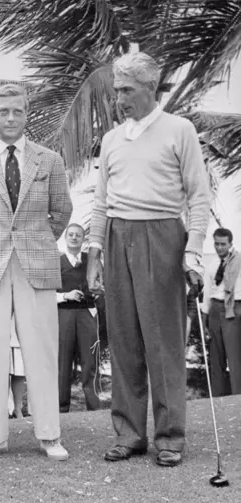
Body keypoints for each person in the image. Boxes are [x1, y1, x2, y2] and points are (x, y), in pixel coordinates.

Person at [87, 52, 210, 467]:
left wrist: (193, 250)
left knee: (163, 341)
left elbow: (199, 195)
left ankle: (170, 436)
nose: (119, 98)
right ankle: (129, 433)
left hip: (163, 235)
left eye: (127, 90)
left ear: (150, 88)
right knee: (123, 339)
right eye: (116, 90)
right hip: (117, 235)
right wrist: (94, 252)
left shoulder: (180, 129)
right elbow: (100, 201)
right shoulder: (111, 139)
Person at [0, 83, 72, 461]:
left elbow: (62, 211)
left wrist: (37, 241)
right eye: (3, 111)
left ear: (27, 115)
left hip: (36, 265)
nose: (10, 118)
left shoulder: (50, 160)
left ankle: (49, 435)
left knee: (41, 350)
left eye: (18, 112)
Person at [57, 224, 101, 413]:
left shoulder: (91, 262)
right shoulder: (56, 262)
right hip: (64, 314)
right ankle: (61, 407)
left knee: (90, 360)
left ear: (83, 239)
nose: (74, 238)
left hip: (87, 315)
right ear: (66, 238)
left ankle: (94, 406)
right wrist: (65, 295)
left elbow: (101, 285)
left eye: (78, 235)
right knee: (63, 361)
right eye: (71, 235)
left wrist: (98, 292)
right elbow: (45, 293)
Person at [201, 228, 241, 397]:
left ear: (230, 244)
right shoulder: (211, 264)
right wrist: (204, 318)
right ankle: (217, 400)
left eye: (223, 244)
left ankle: (237, 397)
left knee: (234, 357)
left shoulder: (238, 262)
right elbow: (208, 293)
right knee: (215, 358)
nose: (219, 248)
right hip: (215, 309)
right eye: (216, 244)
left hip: (233, 308)